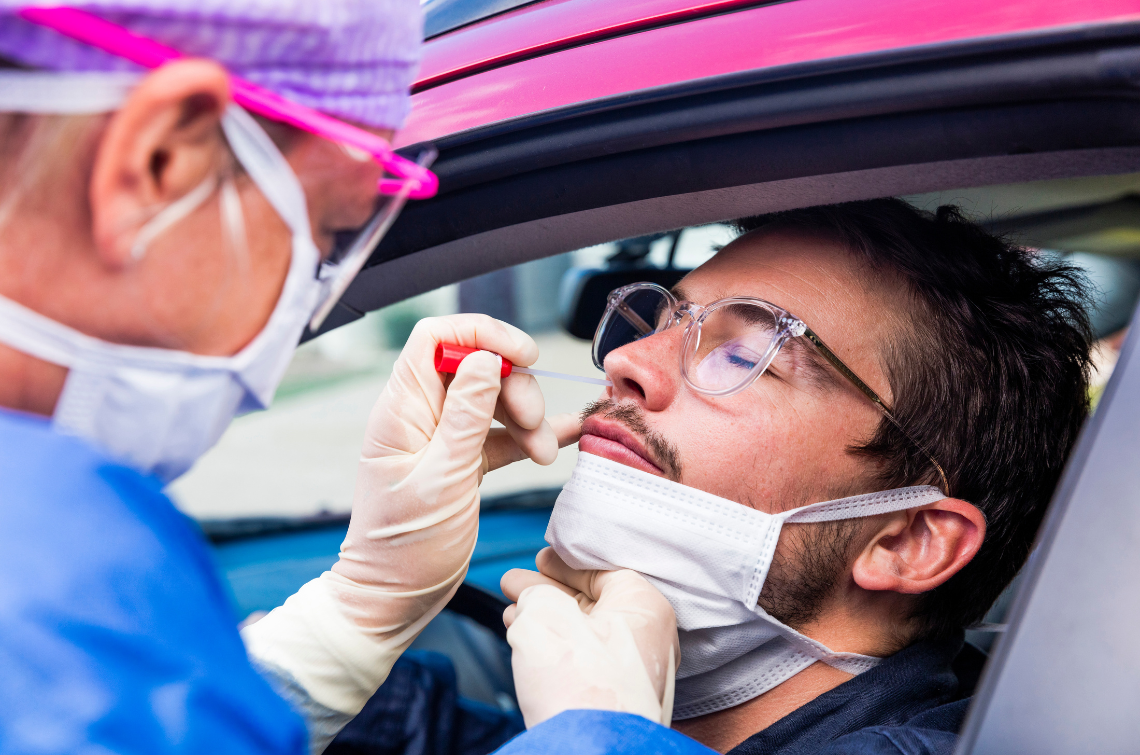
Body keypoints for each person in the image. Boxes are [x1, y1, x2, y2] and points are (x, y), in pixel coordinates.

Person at [0, 4, 594, 753]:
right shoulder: (64, 593)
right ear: (159, 158)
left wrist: (358, 611)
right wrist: (608, 731)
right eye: (329, 230)